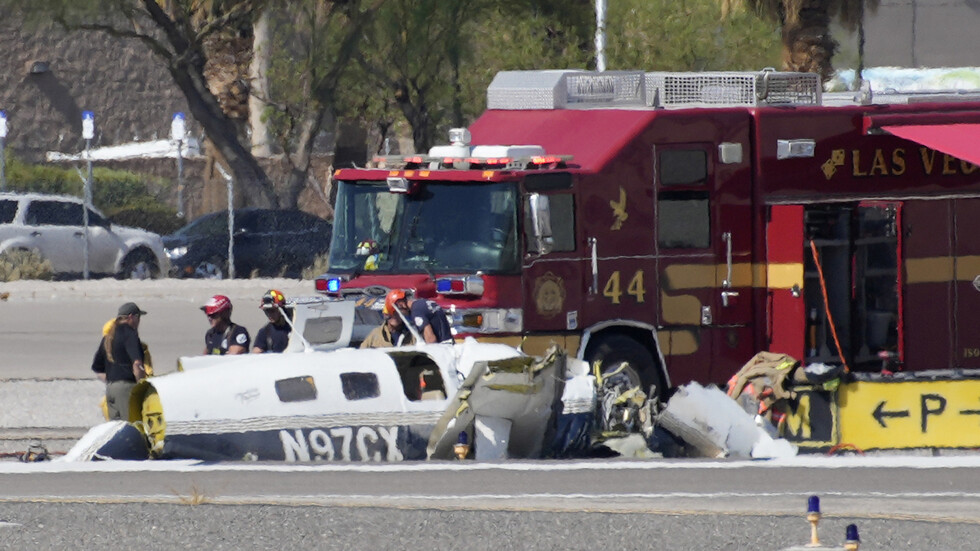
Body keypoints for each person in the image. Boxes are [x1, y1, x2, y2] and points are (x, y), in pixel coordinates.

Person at [91, 302, 148, 420]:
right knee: (133, 427)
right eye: (138, 317)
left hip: (111, 389)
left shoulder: (108, 337)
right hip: (126, 389)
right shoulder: (130, 334)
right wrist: (141, 387)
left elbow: (98, 369)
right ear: (132, 316)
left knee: (117, 429)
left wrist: (113, 380)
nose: (139, 321)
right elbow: (137, 364)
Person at [386, 289, 455, 344]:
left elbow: (431, 339)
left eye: (397, 312)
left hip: (442, 348)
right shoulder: (423, 303)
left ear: (400, 304)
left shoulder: (416, 313)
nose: (401, 316)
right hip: (449, 343)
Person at [252, 289, 292, 353]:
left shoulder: (294, 328)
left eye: (272, 311)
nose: (269, 315)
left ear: (281, 310)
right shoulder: (264, 332)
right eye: (267, 311)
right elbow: (256, 352)